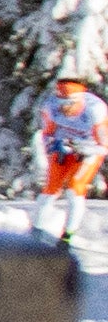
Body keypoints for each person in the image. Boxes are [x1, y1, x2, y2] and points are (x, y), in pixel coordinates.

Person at [43, 67, 107, 222]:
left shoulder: (95, 110)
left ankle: (67, 238)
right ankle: (36, 232)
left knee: (74, 188)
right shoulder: (50, 107)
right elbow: (47, 134)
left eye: (69, 103)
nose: (64, 108)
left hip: (89, 151)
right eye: (61, 102)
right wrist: (52, 145)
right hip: (63, 148)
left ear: (79, 100)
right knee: (50, 189)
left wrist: (80, 147)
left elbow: (104, 147)